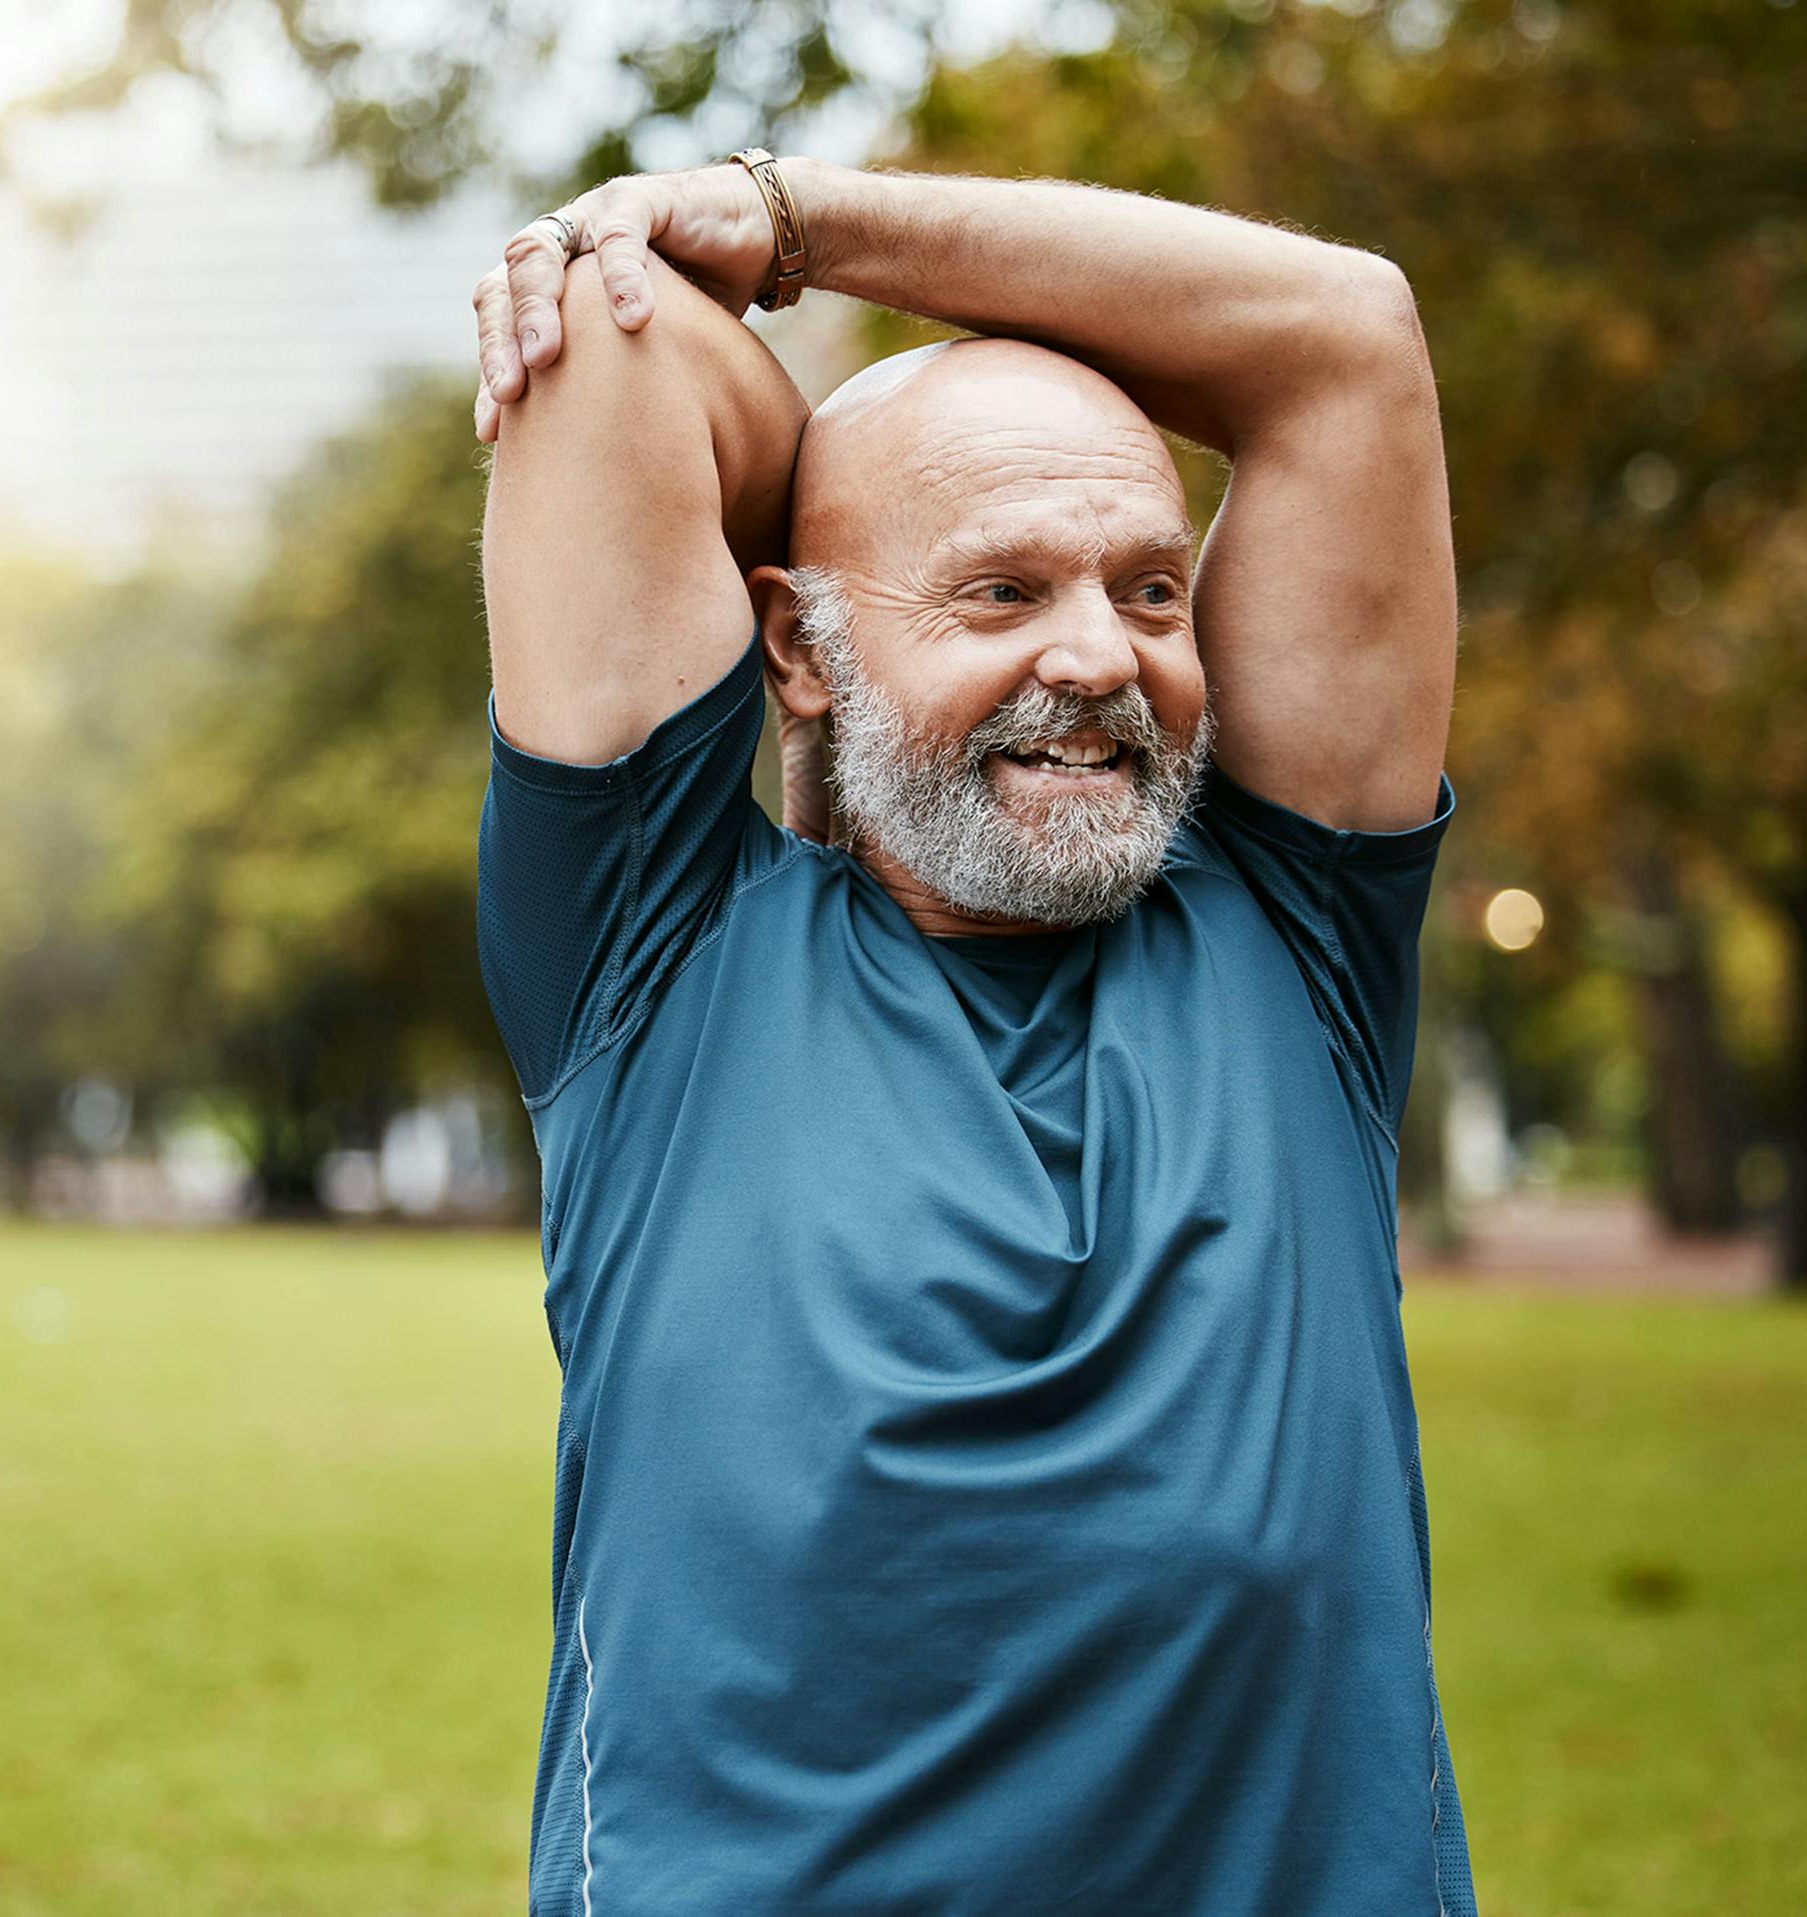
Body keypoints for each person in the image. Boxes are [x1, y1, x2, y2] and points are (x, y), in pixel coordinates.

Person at [470, 150, 1471, 1917]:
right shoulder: (657, 961)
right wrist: (835, 518)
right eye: (1000, 592)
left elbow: (1345, 337)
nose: (1100, 655)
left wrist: (799, 224)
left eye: (1153, 589)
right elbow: (611, 354)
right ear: (794, 644)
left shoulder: (1296, 930)